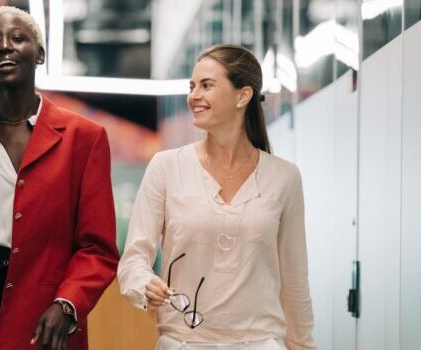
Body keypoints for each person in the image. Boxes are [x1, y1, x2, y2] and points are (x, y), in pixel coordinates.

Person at [0, 6, 119, 350]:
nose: (4, 46)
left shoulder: (84, 139)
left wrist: (68, 304)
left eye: (17, 38)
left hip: (45, 315)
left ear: (40, 54)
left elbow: (97, 248)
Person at [117, 44, 316, 350]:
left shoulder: (285, 177)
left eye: (207, 85)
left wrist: (303, 346)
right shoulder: (166, 167)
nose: (193, 96)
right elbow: (134, 260)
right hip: (183, 342)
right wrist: (144, 284)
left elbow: (295, 281)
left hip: (259, 343)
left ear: (243, 95)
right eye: (192, 86)